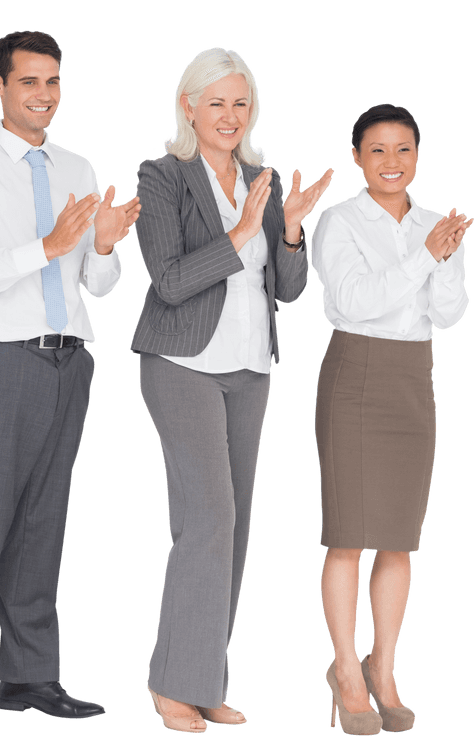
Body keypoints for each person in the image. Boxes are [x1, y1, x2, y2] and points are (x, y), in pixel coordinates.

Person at [0, 30, 139, 731]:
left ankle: (30, 676)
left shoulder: (78, 167)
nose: (43, 94)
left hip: (70, 359)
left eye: (53, 81)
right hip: (1, 358)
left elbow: (97, 283)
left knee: (43, 525)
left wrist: (105, 244)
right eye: (29, 81)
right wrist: (45, 246)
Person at [130, 46, 332, 733]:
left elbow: (287, 290)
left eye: (240, 102)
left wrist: (292, 231)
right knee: (207, 517)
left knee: (236, 526)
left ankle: (205, 677)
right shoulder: (161, 174)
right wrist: (243, 231)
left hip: (250, 364)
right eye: (215, 101)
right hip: (181, 362)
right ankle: (170, 682)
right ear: (189, 105)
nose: (228, 114)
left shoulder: (261, 178)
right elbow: (169, 279)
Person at [313, 103, 469, 736]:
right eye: (377, 150)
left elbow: (450, 313)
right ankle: (346, 672)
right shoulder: (338, 221)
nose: (391, 162)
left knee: (399, 537)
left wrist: (440, 260)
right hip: (355, 374)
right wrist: (425, 260)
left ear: (418, 156)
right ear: (357, 157)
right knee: (349, 533)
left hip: (414, 378)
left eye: (402, 149)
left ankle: (385, 669)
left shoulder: (437, 224)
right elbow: (353, 302)